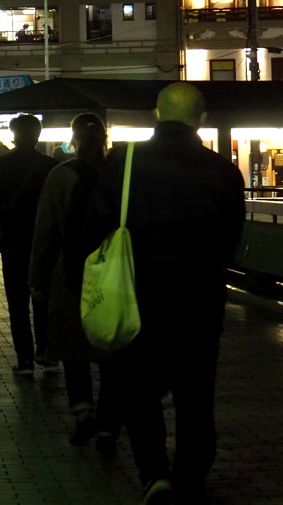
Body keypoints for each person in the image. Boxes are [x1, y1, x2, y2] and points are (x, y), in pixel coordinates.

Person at [87, 82, 245, 505]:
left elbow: (99, 223)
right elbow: (231, 239)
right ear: (202, 120)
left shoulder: (124, 160)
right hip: (200, 299)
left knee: (139, 391)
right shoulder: (223, 170)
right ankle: (190, 477)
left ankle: (154, 474)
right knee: (196, 396)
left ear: (156, 116)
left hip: (138, 294)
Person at [30, 113, 121, 454]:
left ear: (74, 138)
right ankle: (110, 428)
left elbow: (46, 232)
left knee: (74, 350)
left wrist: (36, 277)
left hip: (71, 275)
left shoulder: (60, 176)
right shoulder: (120, 174)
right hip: (115, 276)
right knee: (112, 355)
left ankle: (83, 410)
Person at [0, 113, 56, 375]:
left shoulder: (1, 165)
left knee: (17, 301)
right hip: (44, 241)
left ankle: (24, 358)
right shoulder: (50, 165)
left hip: (13, 240)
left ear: (14, 135)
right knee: (43, 296)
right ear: (37, 135)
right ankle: (45, 351)